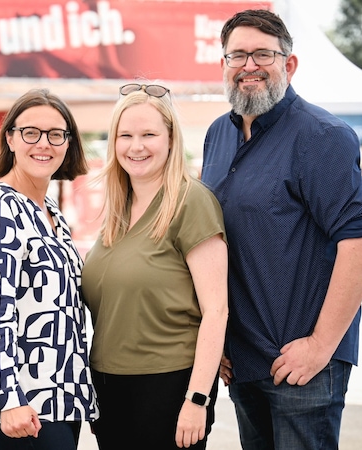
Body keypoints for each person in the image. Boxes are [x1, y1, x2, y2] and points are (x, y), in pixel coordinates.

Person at [202, 9, 362, 450]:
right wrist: (219, 342)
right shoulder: (216, 136)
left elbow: (361, 243)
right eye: (237, 55)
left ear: (290, 64)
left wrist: (321, 345)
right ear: (223, 65)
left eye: (263, 54)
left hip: (301, 366)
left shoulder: (321, 136)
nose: (249, 66)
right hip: (242, 361)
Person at [81, 84, 228, 449]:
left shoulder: (191, 201)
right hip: (110, 387)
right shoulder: (115, 213)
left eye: (149, 134)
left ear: (170, 139)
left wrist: (197, 399)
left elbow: (217, 310)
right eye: (125, 135)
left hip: (169, 385)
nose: (136, 146)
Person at [0, 88, 98, 449]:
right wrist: (9, 399)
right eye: (31, 132)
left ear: (68, 143)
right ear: (10, 138)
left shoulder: (51, 212)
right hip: (22, 398)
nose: (44, 144)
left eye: (56, 134)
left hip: (61, 395)